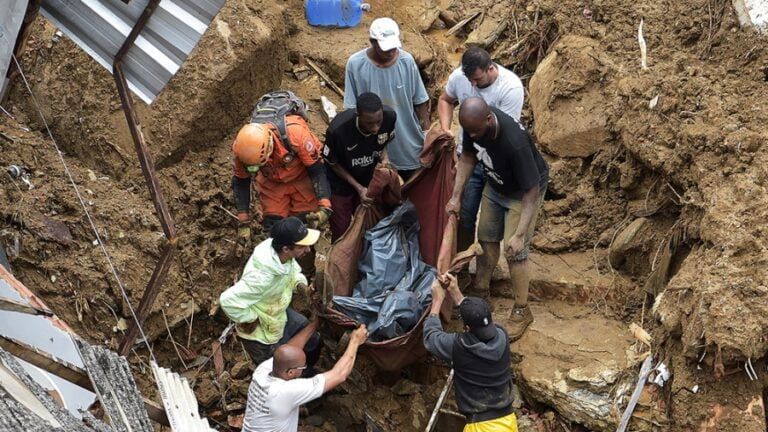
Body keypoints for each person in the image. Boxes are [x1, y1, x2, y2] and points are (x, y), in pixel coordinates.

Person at [446, 97, 548, 340]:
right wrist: (456, 197)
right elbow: (468, 157)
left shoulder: (514, 142)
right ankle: (481, 292)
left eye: (476, 132)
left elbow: (532, 190)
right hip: (495, 186)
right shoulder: (473, 125)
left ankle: (522, 310)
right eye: (469, 132)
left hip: (522, 194)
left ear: (489, 119)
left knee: (514, 253)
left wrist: (520, 235)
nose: (473, 136)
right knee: (486, 240)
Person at [437, 47, 524, 253]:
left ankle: (486, 264)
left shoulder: (510, 88)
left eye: (477, 79)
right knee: (464, 215)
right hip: (468, 156)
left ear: (490, 68)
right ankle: (462, 261)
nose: (473, 85)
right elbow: (445, 100)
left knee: (489, 226)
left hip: (497, 162)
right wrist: (446, 129)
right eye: (470, 80)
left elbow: (503, 134)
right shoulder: (459, 77)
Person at [219, 217, 322, 366]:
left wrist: (302, 287)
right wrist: (251, 318)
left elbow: (292, 271)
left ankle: (307, 370)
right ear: (286, 249)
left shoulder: (281, 254)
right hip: (262, 333)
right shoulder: (261, 278)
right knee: (278, 367)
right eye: (302, 247)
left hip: (277, 312)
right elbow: (227, 300)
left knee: (309, 335)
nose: (307, 250)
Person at [423, 274, 518, 431]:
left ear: (466, 328)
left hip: (481, 427)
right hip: (508, 422)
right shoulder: (502, 336)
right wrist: (455, 292)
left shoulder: (462, 347)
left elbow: (430, 337)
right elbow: (477, 318)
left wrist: (437, 301)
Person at [343, 17, 430, 181]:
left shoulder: (406, 61)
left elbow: (420, 101)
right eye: (385, 49)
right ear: (372, 42)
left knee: (416, 186)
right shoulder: (355, 65)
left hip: (407, 140)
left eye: (393, 48)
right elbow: (351, 109)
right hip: (372, 143)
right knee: (379, 189)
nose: (391, 52)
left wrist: (426, 133)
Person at [232, 115, 332, 254]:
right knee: (274, 229)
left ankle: (304, 264)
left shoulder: (297, 136)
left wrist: (325, 206)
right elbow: (241, 182)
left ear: (269, 149)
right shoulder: (242, 151)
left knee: (303, 228)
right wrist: (243, 223)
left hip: (302, 179)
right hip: (272, 183)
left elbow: (317, 171)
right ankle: (277, 262)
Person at [242, 324, 369, 432]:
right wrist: (355, 341)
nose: (304, 368)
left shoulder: (263, 371)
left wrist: (315, 323)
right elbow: (339, 375)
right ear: (290, 372)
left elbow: (290, 348)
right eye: (303, 367)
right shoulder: (286, 392)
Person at [323, 92, 396, 240]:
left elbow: (383, 142)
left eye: (378, 122)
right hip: (340, 184)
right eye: (369, 123)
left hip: (368, 178)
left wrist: (385, 158)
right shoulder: (338, 130)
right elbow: (333, 163)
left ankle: (364, 253)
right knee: (341, 229)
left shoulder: (389, 117)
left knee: (369, 224)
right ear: (358, 115)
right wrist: (358, 188)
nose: (375, 128)